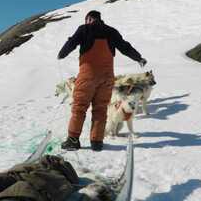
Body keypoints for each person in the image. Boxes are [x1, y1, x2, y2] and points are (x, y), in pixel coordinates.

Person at [57, 10, 147, 151]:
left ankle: (73, 140)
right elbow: (125, 47)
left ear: (89, 19)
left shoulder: (84, 29)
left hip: (88, 76)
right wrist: (138, 58)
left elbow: (72, 43)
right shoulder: (111, 32)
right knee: (100, 109)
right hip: (107, 78)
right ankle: (97, 142)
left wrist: (61, 54)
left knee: (79, 108)